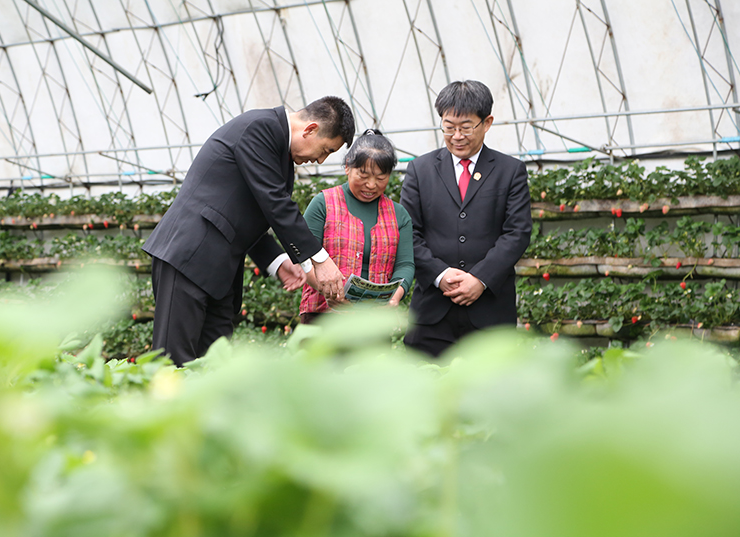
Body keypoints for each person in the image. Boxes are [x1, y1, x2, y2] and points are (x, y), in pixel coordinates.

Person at [142, 97, 355, 365]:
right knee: (172, 362)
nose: (320, 161)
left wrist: (277, 261)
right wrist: (320, 260)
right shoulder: (260, 128)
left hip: (218, 271)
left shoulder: (277, 151)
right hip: (188, 256)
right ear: (310, 129)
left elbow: (242, 211)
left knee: (213, 364)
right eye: (325, 150)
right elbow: (275, 204)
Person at [400, 80, 532, 357]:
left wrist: (480, 279)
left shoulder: (510, 171)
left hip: (490, 313)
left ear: (487, 123)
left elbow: (517, 233)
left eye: (466, 127)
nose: (457, 136)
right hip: (432, 313)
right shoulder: (419, 170)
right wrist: (440, 274)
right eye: (449, 127)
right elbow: (408, 231)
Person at [299, 130, 414, 324]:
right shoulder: (323, 204)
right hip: (323, 317)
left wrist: (395, 296)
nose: (371, 185)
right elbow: (304, 258)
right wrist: (333, 292)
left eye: (380, 178)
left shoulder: (399, 215)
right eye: (363, 175)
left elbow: (405, 265)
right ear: (347, 167)